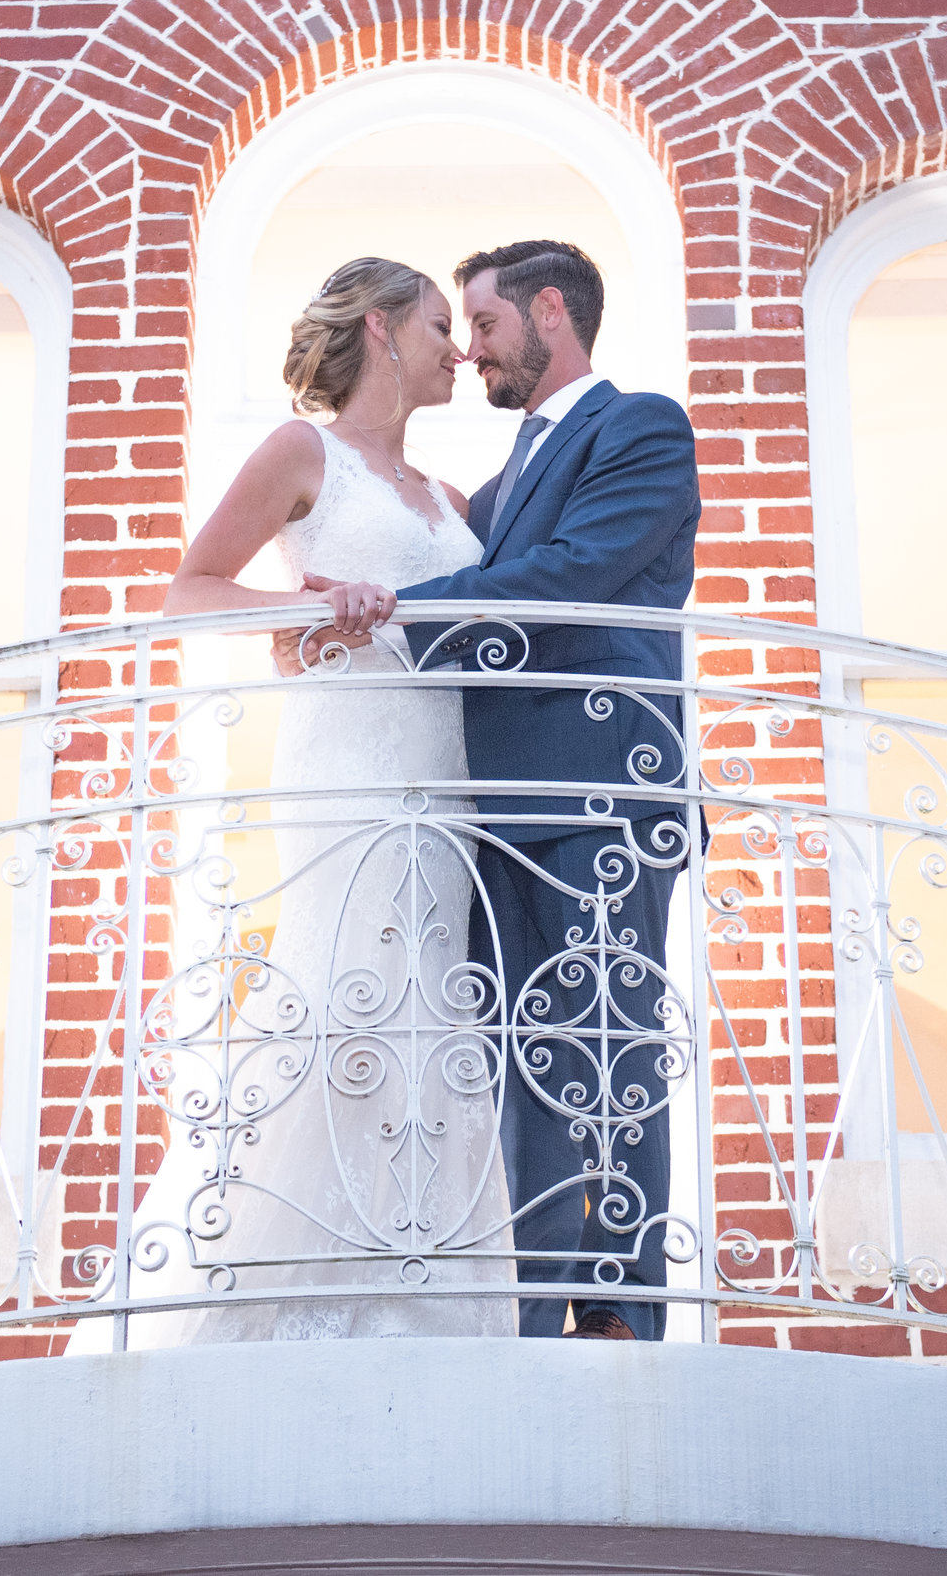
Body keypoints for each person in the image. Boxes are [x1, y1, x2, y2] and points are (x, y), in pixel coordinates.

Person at [86, 257, 516, 1348]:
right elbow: (190, 588)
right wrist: (301, 607)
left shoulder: (453, 501)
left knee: (433, 1004)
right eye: (435, 324)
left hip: (444, 774)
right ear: (378, 330)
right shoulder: (301, 453)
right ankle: (259, 1296)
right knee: (345, 993)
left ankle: (421, 1291)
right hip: (347, 760)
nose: (456, 348)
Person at [305, 240, 702, 1342]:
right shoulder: (495, 482)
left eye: (483, 326)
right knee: (529, 1054)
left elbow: (574, 571)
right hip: (499, 808)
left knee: (610, 1032)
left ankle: (618, 1305)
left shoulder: (640, 427)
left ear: (549, 312)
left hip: (601, 794)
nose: (471, 350)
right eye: (460, 332)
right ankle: (532, 1307)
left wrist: (405, 609)